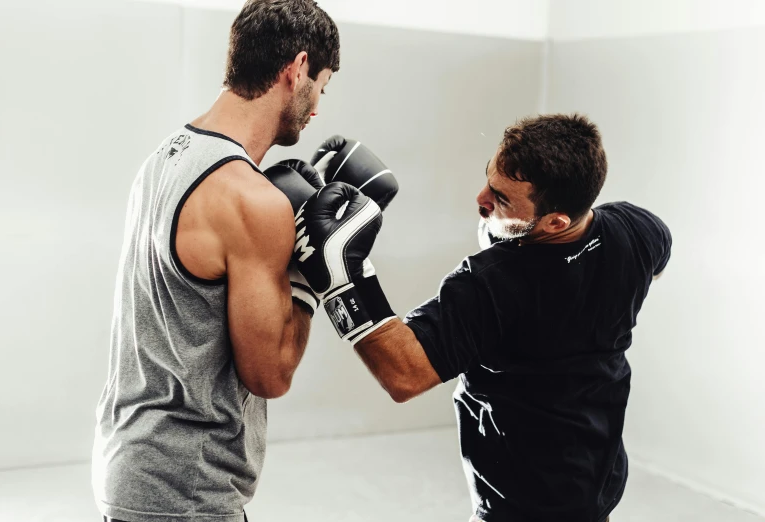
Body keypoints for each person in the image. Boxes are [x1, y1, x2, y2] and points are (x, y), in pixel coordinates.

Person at [294, 114, 672, 522]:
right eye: (488, 180)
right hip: (598, 485)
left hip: (521, 505)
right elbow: (654, 267)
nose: (480, 199)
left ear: (555, 221)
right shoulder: (636, 229)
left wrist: (344, 275)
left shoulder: (491, 284)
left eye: (502, 199)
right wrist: (519, 238)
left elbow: (404, 373)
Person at [91, 1, 341, 521]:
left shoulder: (165, 155)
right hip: (187, 488)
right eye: (321, 85)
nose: (317, 107)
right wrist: (311, 273)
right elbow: (269, 376)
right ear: (296, 69)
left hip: (129, 462)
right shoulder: (251, 200)